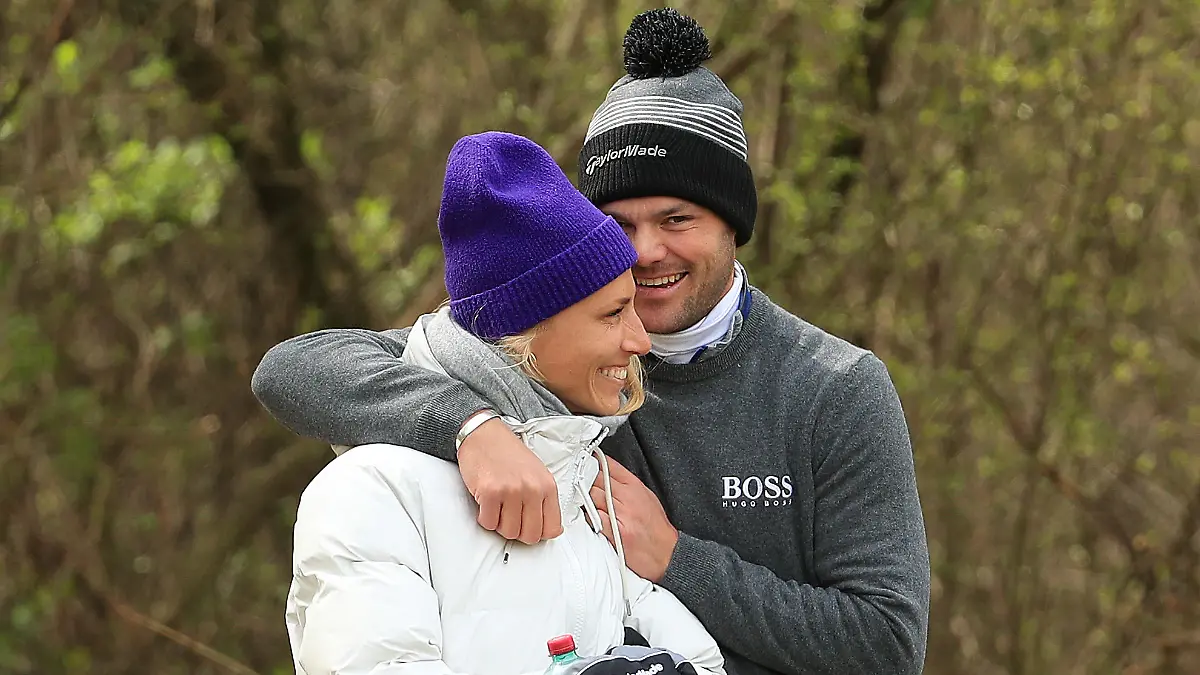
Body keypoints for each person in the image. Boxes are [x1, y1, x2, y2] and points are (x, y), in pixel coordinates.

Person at [256, 9, 930, 675]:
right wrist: (471, 426)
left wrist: (676, 558)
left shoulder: (835, 388)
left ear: (732, 223)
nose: (646, 252)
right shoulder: (553, 360)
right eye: (618, 224)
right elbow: (297, 368)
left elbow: (887, 643)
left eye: (676, 218)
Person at [283, 131, 725, 675]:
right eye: (612, 314)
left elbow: (701, 661)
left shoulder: (583, 477)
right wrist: (470, 426)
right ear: (521, 332)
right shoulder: (376, 490)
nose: (639, 341)